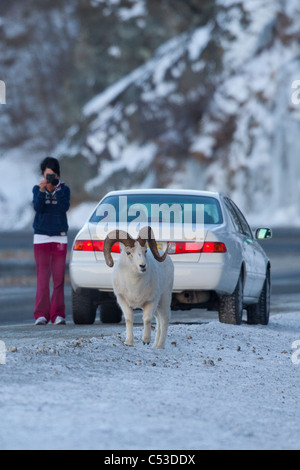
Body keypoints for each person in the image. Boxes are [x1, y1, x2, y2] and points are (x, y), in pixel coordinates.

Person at [32, 157, 70, 326]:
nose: (49, 179)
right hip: (41, 238)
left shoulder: (64, 189)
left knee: (59, 278)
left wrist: (56, 189)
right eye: (47, 175)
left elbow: (64, 207)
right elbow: (38, 208)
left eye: (52, 176)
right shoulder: (36, 189)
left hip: (60, 236)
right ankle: (41, 315)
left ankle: (57, 315)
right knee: (42, 278)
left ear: (57, 175)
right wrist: (42, 191)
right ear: (42, 174)